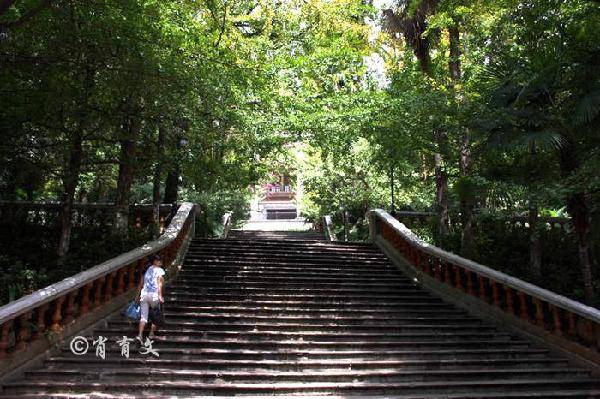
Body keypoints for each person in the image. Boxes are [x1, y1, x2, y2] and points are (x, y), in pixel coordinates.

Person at [136, 254, 165, 343]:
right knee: (155, 315)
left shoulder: (146, 270)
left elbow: (140, 284)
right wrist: (160, 296)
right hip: (154, 295)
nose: (161, 262)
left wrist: (137, 295)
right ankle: (151, 334)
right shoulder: (160, 271)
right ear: (155, 261)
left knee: (143, 317)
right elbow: (159, 284)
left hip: (144, 295)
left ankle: (140, 335)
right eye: (159, 260)